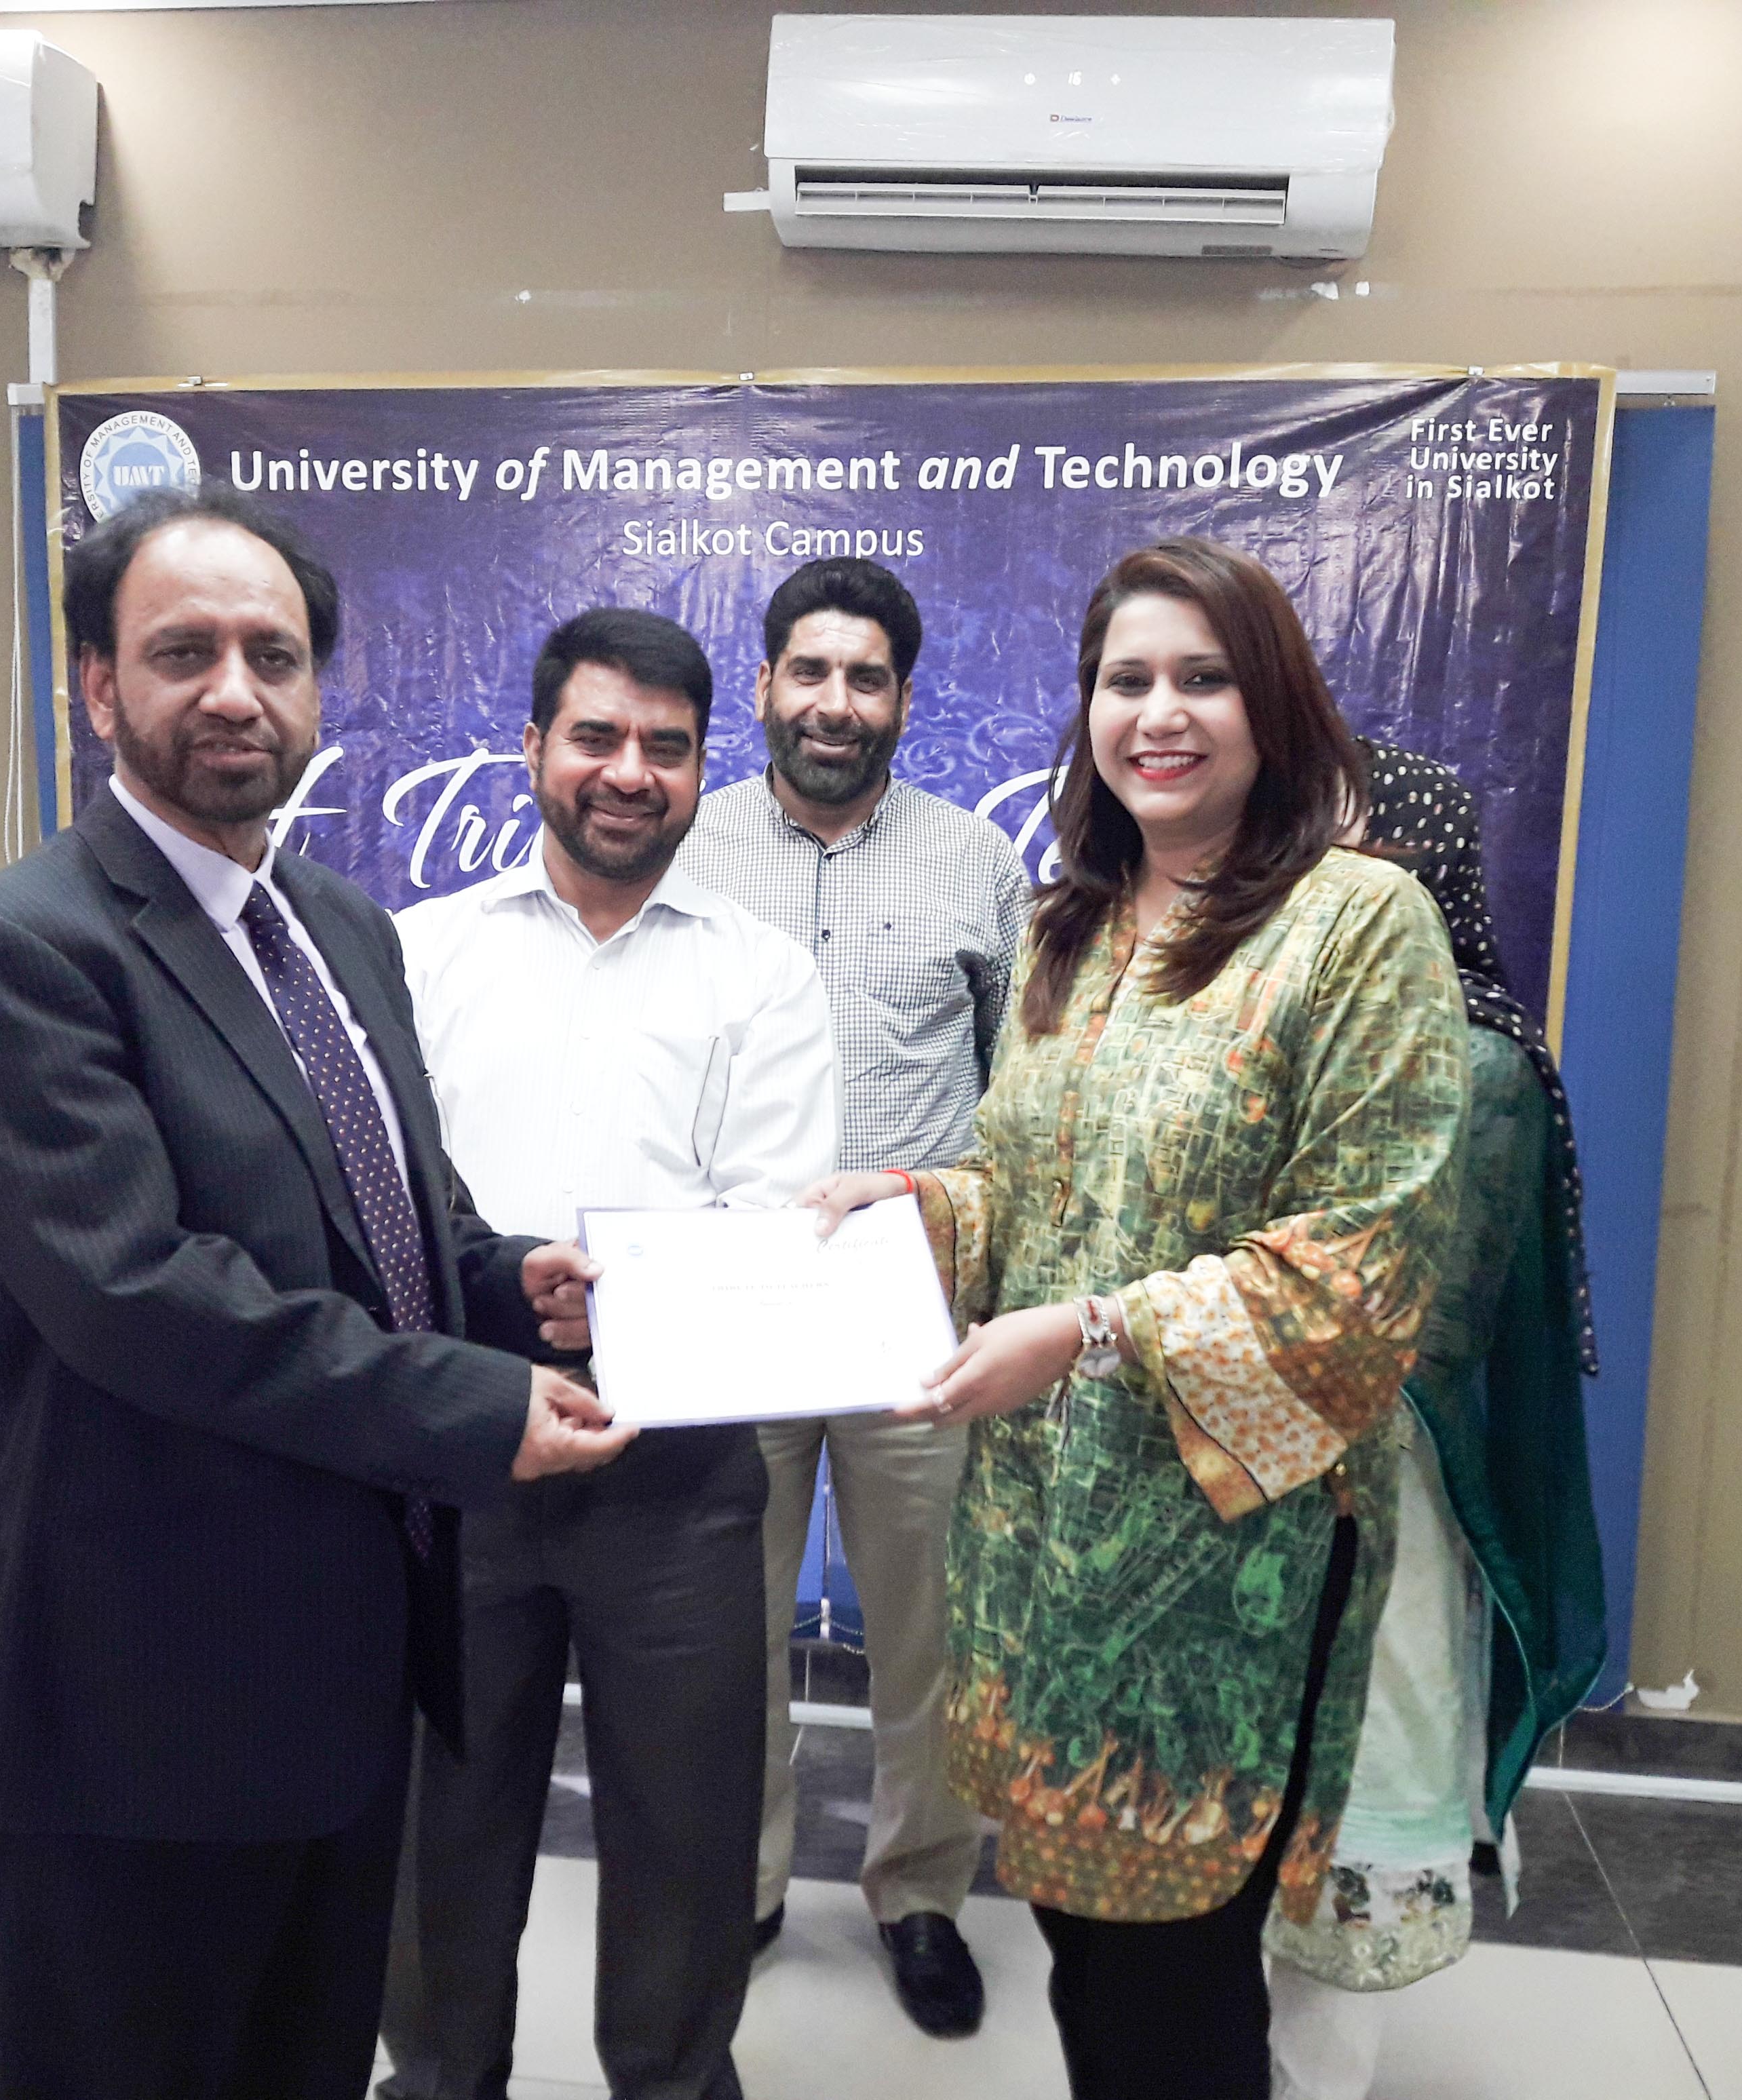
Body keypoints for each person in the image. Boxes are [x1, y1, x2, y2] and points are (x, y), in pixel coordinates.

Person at [0, 485, 634, 2100]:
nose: (235, 691)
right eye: (185, 653)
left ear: (318, 687)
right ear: (100, 687)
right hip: (154, 1671)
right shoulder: (23, 951)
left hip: (354, 1654)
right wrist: (474, 1405)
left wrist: (510, 1287)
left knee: (304, 2052)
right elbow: (138, 1292)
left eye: (275, 654)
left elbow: (393, 1217)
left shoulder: (340, 930)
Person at [802, 538, 1471, 2100]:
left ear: (1273, 705)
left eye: (1203, 678)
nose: (1158, 714)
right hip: (1045, 1553)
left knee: (1178, 1992)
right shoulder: (1074, 924)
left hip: (1224, 1578)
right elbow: (1038, 1197)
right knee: (1089, 1966)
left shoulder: (1357, 923)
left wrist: (1089, 1332)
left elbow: (1361, 1265)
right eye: (1127, 681)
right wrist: (919, 1204)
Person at [380, 607, 839, 2100]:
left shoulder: (762, 975)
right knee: (442, 1820)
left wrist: (628, 1295)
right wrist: (507, 1296)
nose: (629, 772)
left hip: (678, 1464)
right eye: (596, 737)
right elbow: (387, 1196)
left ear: (705, 766)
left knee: (686, 1832)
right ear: (533, 749)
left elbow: (778, 1216)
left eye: (666, 746)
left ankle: (675, 2080)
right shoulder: (418, 955)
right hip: (463, 1446)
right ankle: (439, 2079)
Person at [678, 557, 1029, 2036]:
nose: (836, 703)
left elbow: (1021, 1099)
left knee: (928, 1627)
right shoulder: (683, 846)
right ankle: (742, 1882)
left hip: (913, 1308)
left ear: (904, 697)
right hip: (733, 1304)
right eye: (809, 672)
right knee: (728, 1623)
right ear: (764, 684)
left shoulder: (978, 865)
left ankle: (921, 1893)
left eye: (865, 677)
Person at [1262, 740, 1609, 2100]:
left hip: (1387, 1502)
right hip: (1234, 1489)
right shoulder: (1264, 1017)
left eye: (1360, 858)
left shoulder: (1480, 1064)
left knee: (1354, 1784)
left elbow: (1426, 1329)